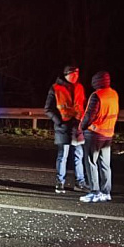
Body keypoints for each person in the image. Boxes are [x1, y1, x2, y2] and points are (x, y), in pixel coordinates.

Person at [44, 65, 87, 193]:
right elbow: (48, 109)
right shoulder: (55, 88)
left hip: (77, 126)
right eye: (73, 74)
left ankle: (80, 182)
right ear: (66, 75)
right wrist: (59, 122)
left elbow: (83, 105)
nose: (76, 77)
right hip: (63, 127)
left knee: (79, 155)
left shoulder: (80, 87)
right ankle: (60, 182)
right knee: (63, 155)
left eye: (77, 74)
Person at [78, 71, 119, 203]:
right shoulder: (113, 93)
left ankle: (94, 191)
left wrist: (82, 127)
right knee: (105, 164)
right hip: (108, 134)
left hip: (95, 134)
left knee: (91, 162)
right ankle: (106, 192)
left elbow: (90, 115)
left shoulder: (97, 96)